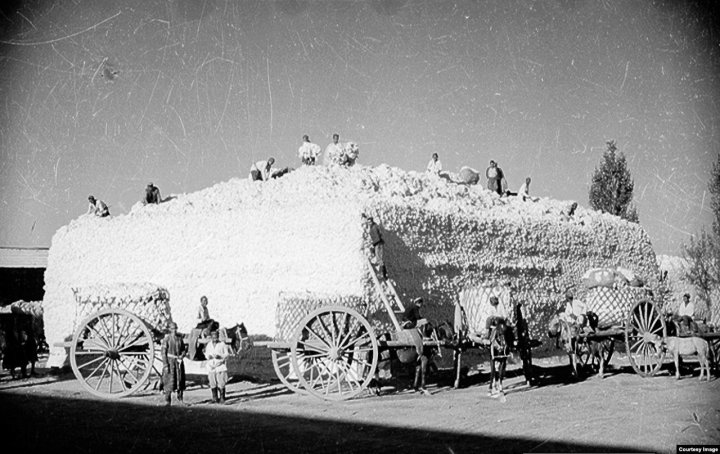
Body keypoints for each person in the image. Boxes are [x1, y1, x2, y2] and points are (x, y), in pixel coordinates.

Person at [161, 321, 186, 406]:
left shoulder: (179, 339)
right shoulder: (167, 339)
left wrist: (182, 355)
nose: (174, 330)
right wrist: (165, 364)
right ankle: (167, 401)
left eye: (175, 328)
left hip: (178, 362)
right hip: (170, 362)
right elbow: (163, 353)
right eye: (172, 329)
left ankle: (180, 399)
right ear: (169, 329)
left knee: (180, 380)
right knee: (169, 381)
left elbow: (183, 349)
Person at [204, 330, 232, 404]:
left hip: (220, 366)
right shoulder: (209, 345)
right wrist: (208, 356)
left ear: (218, 337)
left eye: (216, 337)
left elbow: (227, 354)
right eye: (213, 337)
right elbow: (206, 354)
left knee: (221, 383)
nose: (214, 339)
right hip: (211, 366)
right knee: (212, 383)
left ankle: (222, 398)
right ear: (211, 338)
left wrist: (220, 356)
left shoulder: (222, 344)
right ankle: (214, 398)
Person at [365, 215, 387, 279]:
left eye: (370, 222)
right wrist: (364, 216)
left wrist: (373, 243)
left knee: (379, 259)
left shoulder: (374, 227)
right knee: (379, 258)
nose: (369, 223)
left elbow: (377, 237)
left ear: (372, 221)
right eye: (368, 222)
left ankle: (383, 273)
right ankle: (383, 273)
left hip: (378, 244)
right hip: (377, 243)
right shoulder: (373, 226)